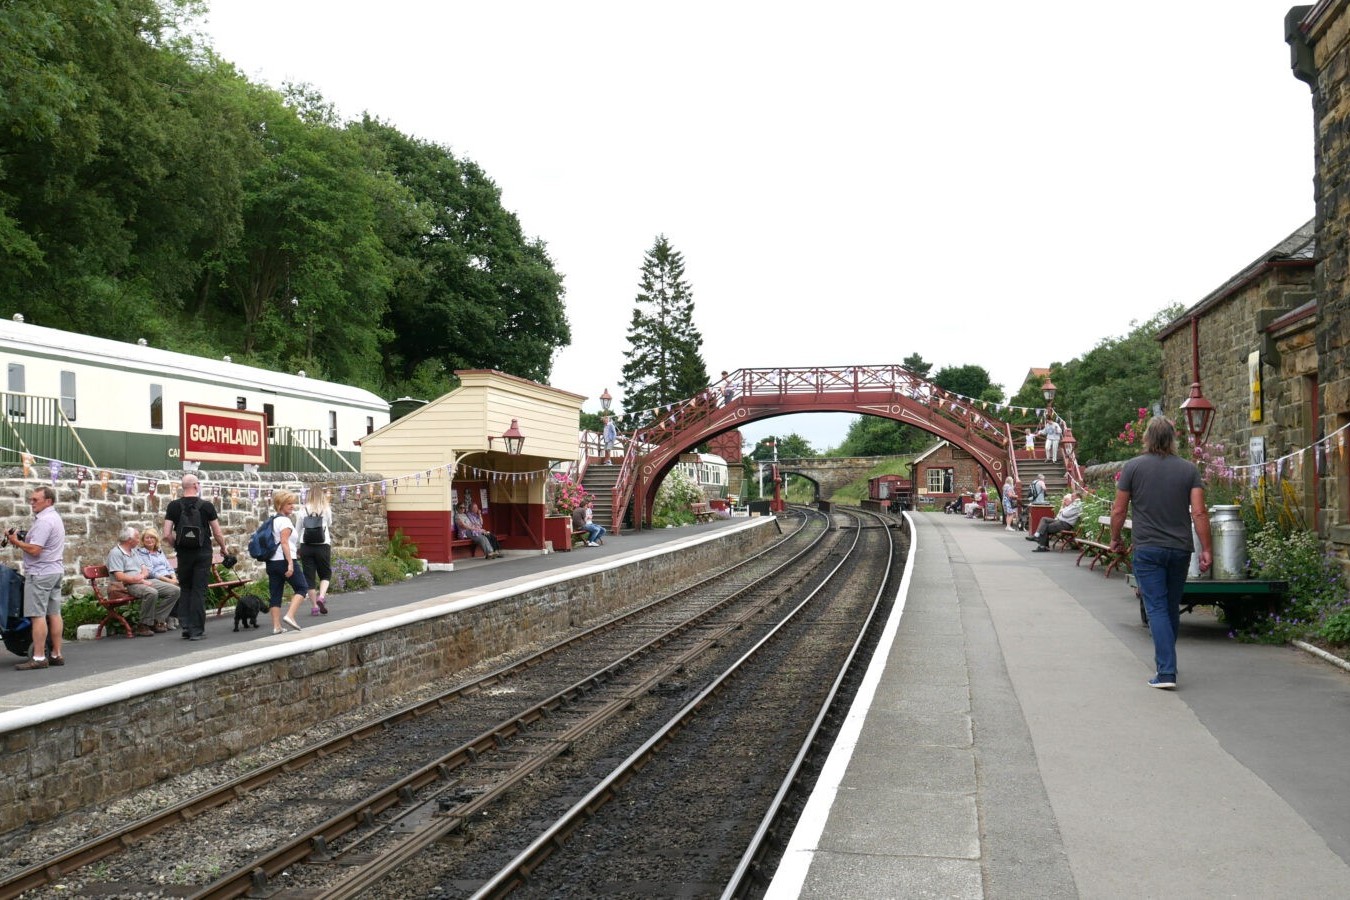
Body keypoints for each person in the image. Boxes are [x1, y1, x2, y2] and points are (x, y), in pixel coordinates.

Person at [1110, 417, 1212, 690]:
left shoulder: (1132, 468)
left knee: (1155, 607)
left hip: (1148, 548)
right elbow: (1199, 512)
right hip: (1180, 549)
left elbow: (1119, 510)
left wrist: (1116, 538)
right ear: (1172, 439)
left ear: (1147, 438)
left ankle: (1166, 671)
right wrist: (1207, 549)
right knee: (1170, 607)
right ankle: (1167, 663)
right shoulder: (1189, 470)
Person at [163, 473, 228, 641]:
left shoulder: (173, 506)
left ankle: (185, 627)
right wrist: (223, 549)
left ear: (183, 487)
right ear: (196, 486)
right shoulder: (206, 506)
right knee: (199, 590)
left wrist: (177, 546)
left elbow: (166, 534)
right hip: (202, 553)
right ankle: (196, 630)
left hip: (184, 554)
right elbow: (217, 532)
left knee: (186, 588)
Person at [9, 486, 66, 669]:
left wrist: (16, 542)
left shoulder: (44, 521)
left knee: (37, 615)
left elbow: (35, 550)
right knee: (54, 613)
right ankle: (57, 654)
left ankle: (40, 657)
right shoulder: (55, 517)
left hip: (40, 574)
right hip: (55, 570)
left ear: (48, 501)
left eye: (35, 500)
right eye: (31, 499)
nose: (31, 503)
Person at [107, 526, 178, 636]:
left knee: (174, 590)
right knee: (151, 592)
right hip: (128, 584)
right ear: (129, 540)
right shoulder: (116, 553)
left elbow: (144, 567)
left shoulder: (134, 551)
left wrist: (142, 577)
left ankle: (156, 619)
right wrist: (138, 580)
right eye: (136, 537)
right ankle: (143, 625)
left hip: (142, 580)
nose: (138, 539)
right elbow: (119, 576)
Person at [267, 490, 310, 634]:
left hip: (272, 562)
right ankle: (290, 615)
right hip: (284, 561)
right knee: (302, 588)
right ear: (280, 505)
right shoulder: (285, 521)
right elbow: (284, 542)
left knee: (275, 593)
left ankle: (276, 627)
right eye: (289, 503)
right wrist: (290, 563)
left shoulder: (272, 520)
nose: (292, 506)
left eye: (293, 503)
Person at [298, 486, 333, 616]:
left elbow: (298, 528)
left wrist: (297, 546)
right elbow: (329, 523)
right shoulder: (326, 509)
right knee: (325, 573)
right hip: (322, 544)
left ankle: (314, 607)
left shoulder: (302, 510)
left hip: (306, 545)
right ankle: (321, 597)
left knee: (309, 577)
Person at [137, 528, 181, 630]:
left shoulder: (159, 552)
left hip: (168, 577)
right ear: (143, 540)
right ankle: (166, 618)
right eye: (147, 538)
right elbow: (151, 572)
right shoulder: (141, 553)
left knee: (186, 585)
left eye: (152, 537)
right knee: (177, 588)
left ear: (156, 540)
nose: (150, 540)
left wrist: (173, 577)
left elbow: (169, 567)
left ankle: (172, 616)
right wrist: (170, 581)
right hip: (157, 579)